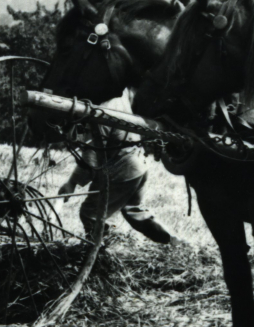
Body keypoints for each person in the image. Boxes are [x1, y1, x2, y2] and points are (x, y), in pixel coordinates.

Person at [60, 89, 173, 245]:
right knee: (133, 209)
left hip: (123, 169)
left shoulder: (102, 110)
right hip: (139, 166)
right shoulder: (121, 98)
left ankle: (98, 250)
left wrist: (71, 183)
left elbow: (91, 157)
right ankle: (172, 240)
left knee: (90, 213)